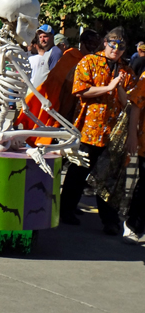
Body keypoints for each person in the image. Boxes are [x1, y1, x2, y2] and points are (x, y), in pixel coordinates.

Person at [60, 27, 136, 234]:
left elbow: (129, 103)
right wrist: (108, 87)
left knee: (108, 178)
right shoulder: (89, 62)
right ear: (105, 42)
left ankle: (109, 221)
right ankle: (66, 209)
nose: (116, 49)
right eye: (113, 44)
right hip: (89, 129)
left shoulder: (126, 71)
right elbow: (81, 90)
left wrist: (118, 86)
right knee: (78, 171)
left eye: (121, 46)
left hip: (113, 133)